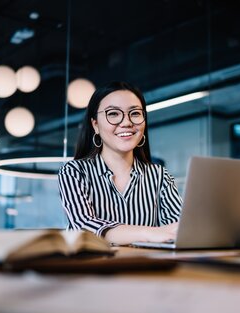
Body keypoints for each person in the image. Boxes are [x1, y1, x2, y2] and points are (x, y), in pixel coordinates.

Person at [58, 81, 182, 245]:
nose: (126, 122)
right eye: (113, 114)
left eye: (135, 113)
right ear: (95, 124)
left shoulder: (159, 176)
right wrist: (150, 233)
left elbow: (177, 228)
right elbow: (85, 228)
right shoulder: (74, 172)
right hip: (90, 269)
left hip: (145, 269)